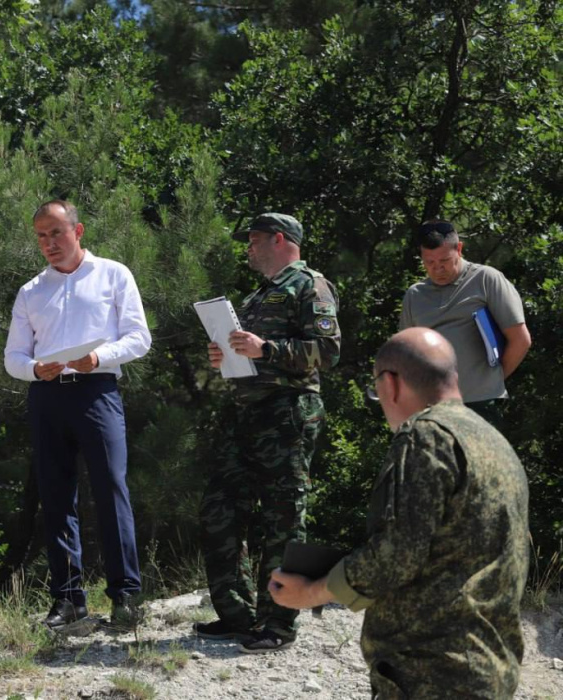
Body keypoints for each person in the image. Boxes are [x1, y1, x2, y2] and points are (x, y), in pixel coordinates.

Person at [269, 327, 529, 698]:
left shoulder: (425, 436)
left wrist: (311, 591)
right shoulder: (495, 442)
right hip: (488, 670)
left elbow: (396, 555)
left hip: (432, 674)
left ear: (390, 384)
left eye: (377, 391)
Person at [196, 213, 340, 653]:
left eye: (255, 240)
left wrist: (266, 349)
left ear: (280, 240)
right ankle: (238, 615)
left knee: (283, 518)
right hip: (246, 416)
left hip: (287, 415)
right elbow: (252, 353)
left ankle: (278, 623)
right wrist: (227, 357)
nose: (248, 248)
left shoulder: (310, 285)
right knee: (219, 508)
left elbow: (329, 352)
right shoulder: (259, 295)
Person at [4, 200, 151, 629]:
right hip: (47, 395)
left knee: (110, 489)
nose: (49, 243)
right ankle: (68, 600)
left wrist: (100, 357)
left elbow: (139, 337)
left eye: (56, 233)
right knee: (55, 496)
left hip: (97, 391)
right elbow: (13, 354)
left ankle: (126, 596)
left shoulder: (113, 273)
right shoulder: (32, 290)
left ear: (78, 230)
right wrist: (33, 369)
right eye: (41, 236)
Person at [400, 219, 531, 427]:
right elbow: (407, 355)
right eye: (429, 263)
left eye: (444, 260)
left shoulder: (486, 279)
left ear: (459, 249)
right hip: (434, 408)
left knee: (483, 461)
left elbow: (520, 340)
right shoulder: (415, 295)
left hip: (482, 405)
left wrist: (491, 382)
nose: (437, 269)